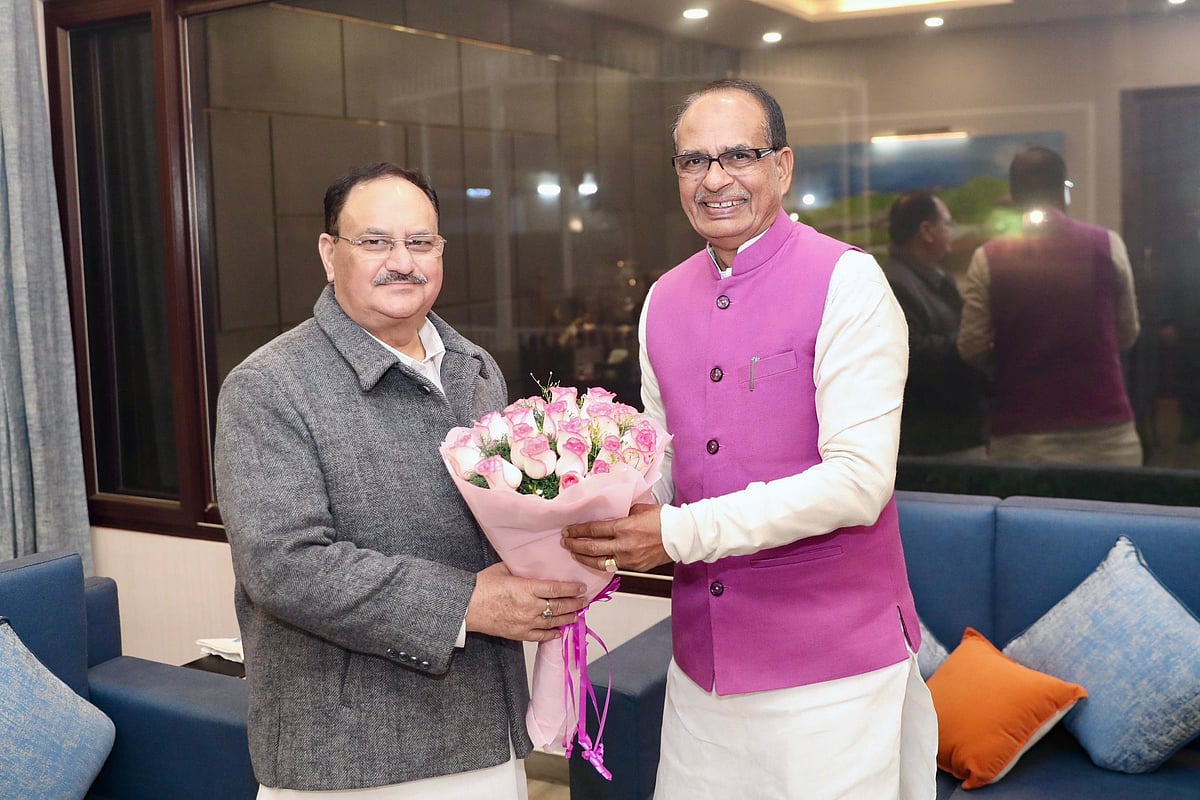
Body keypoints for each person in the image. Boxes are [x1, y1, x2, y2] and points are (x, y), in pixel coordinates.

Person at [562, 79, 937, 799]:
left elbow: (859, 483)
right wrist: (570, 504)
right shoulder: (663, 298)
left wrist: (673, 533)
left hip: (833, 673)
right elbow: (660, 468)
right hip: (702, 669)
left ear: (783, 166)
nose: (715, 179)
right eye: (693, 161)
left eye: (739, 154)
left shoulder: (848, 282)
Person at [214, 162, 589, 799]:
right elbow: (284, 565)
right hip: (350, 754)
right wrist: (467, 603)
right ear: (330, 254)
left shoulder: (475, 368)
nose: (402, 262)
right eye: (376, 242)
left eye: (421, 243)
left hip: (486, 733)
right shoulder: (269, 386)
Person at [957, 146, 1143, 465]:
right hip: (1107, 432)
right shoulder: (1108, 244)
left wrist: (1013, 362)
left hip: (1022, 434)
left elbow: (971, 346)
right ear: (1064, 191)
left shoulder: (986, 258)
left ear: (1013, 195)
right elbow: (1127, 332)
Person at [883, 190, 988, 458]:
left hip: (951, 430)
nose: (951, 231)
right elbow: (912, 352)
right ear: (927, 231)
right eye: (947, 224)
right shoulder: (893, 283)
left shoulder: (934, 278)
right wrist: (973, 342)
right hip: (932, 438)